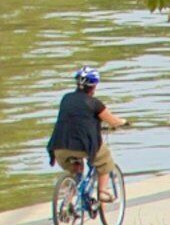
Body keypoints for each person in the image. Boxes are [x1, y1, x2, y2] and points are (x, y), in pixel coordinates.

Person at [49, 68, 122, 216]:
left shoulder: (66, 98)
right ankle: (102, 192)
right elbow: (112, 121)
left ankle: (67, 204)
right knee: (105, 161)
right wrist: (123, 122)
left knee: (76, 172)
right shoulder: (95, 104)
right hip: (82, 146)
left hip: (59, 145)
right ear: (94, 86)